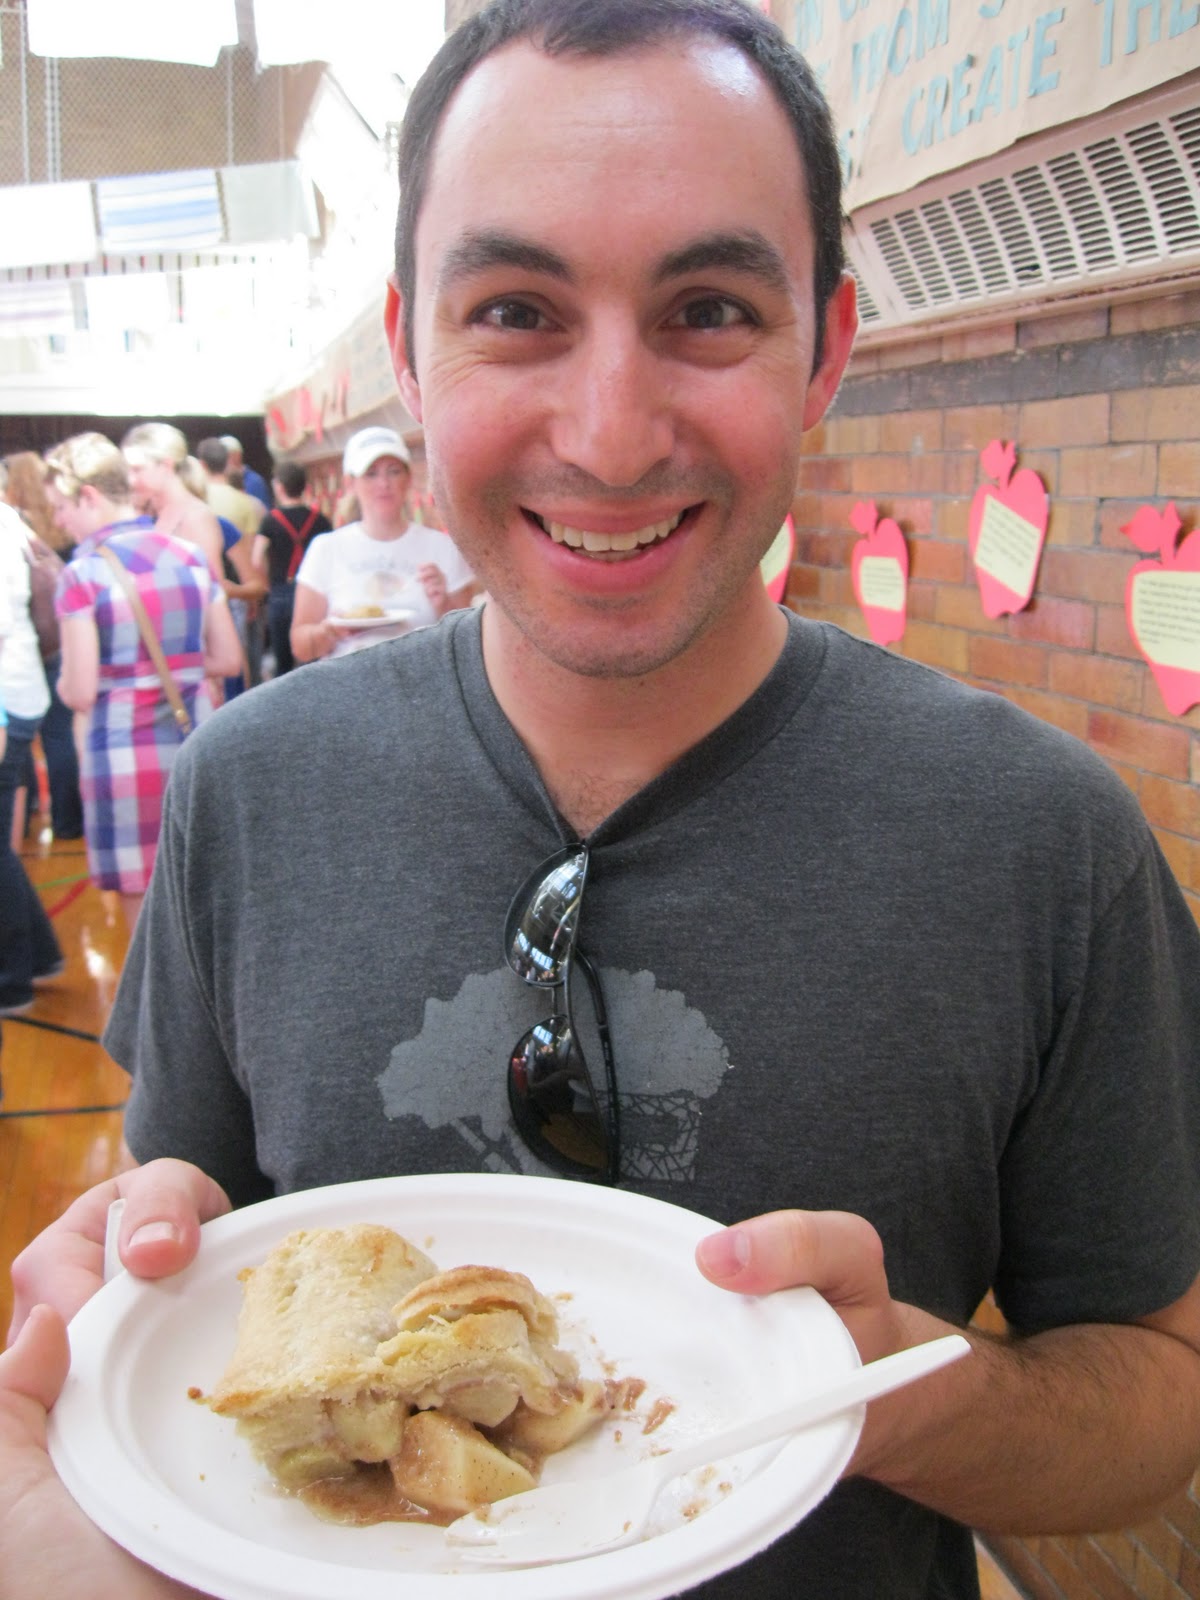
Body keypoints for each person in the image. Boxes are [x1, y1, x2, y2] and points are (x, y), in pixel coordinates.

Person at [5, 4, 1200, 1599]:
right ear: (413, 352)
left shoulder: (1047, 844)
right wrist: (125, 1285)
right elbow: (183, 1236)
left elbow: (1155, 1396)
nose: (612, 433)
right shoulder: (255, 789)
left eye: (709, 308)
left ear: (828, 348)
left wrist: (906, 1393)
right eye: (515, 310)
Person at [39, 433, 241, 933]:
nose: (59, 520)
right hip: (195, 740)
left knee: (145, 927)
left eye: (60, 507)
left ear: (89, 496)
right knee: (201, 901)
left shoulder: (83, 575)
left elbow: (81, 690)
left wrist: (68, 687)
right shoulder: (191, 557)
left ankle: (156, 1015)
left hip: (121, 757)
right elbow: (229, 658)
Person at [290, 425, 475, 662]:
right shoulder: (326, 548)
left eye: (394, 471)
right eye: (371, 473)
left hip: (423, 684)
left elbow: (470, 643)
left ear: (408, 478)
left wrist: (444, 605)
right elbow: (301, 647)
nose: (384, 483)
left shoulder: (443, 548)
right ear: (350, 483)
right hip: (349, 686)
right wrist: (329, 632)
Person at [0, 498, 63, 1014]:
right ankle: (36, 955)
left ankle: (12, 978)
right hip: (17, 690)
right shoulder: (8, 522)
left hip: (6, 698)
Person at [2, 453, 85, 841]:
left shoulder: (13, 523)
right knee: (58, 736)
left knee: (25, 744)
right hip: (55, 637)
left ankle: (31, 809)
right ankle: (68, 821)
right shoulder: (44, 523)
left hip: (24, 651)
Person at [249, 458, 332, 677]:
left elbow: (257, 558)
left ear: (279, 486)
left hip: (281, 593)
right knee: (315, 663)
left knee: (283, 665)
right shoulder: (320, 520)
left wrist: (268, 583)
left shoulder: (270, 520)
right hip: (313, 596)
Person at [195, 438, 268, 685]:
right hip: (234, 597)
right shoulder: (243, 501)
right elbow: (251, 560)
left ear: (202, 466)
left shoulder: (196, 507)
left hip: (205, 605)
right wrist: (251, 598)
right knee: (240, 665)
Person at [219, 434, 271, 509]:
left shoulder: (255, 481)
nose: (227, 459)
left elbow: (265, 511)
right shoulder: (220, 482)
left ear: (238, 455)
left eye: (230, 454)